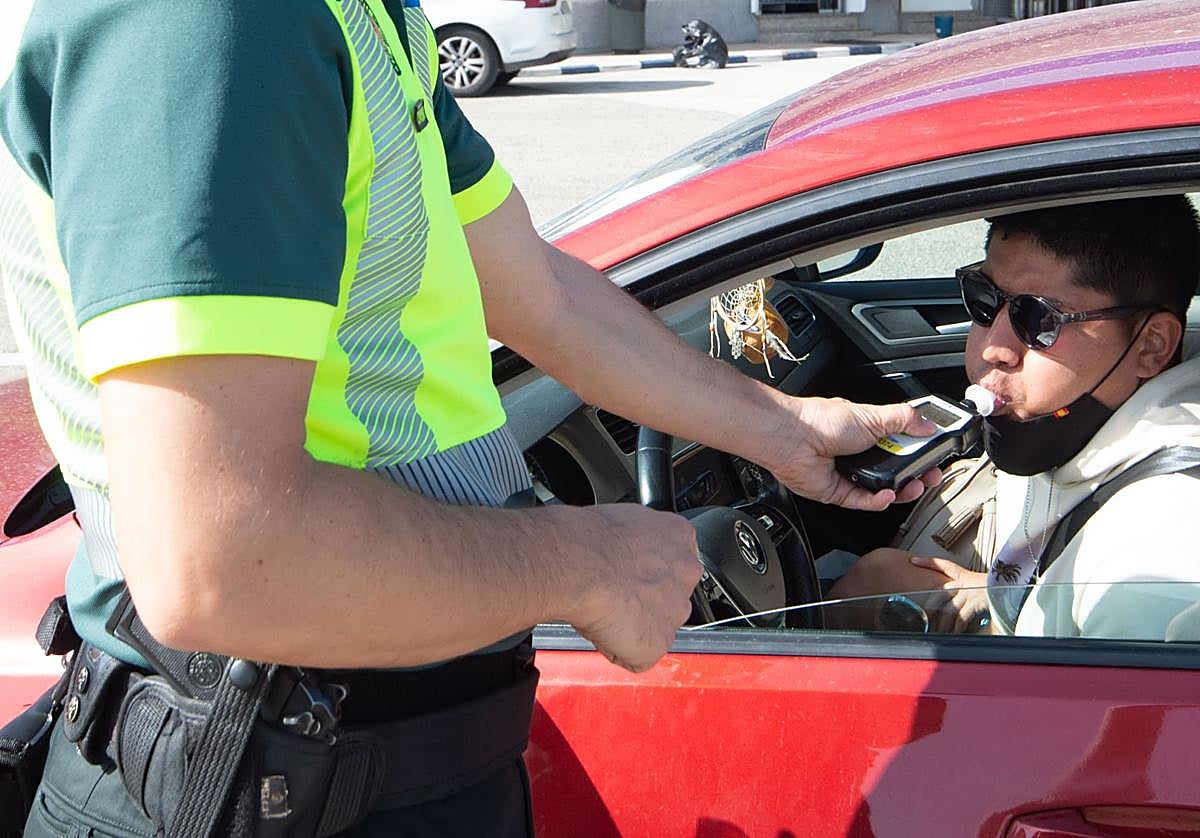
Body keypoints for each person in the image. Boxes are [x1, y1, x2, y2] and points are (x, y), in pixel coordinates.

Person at [0, 1, 938, 835]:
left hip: (367, 759)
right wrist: (588, 565)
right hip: (255, 771)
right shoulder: (213, 20)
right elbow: (219, 558)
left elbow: (540, 295)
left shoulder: (361, 13)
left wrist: (788, 431)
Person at [828, 195, 1200, 640]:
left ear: (1151, 345)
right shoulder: (1072, 413)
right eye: (984, 298)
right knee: (875, 579)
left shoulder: (1151, 566)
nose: (993, 348)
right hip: (1016, 585)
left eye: (1040, 318)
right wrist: (1004, 595)